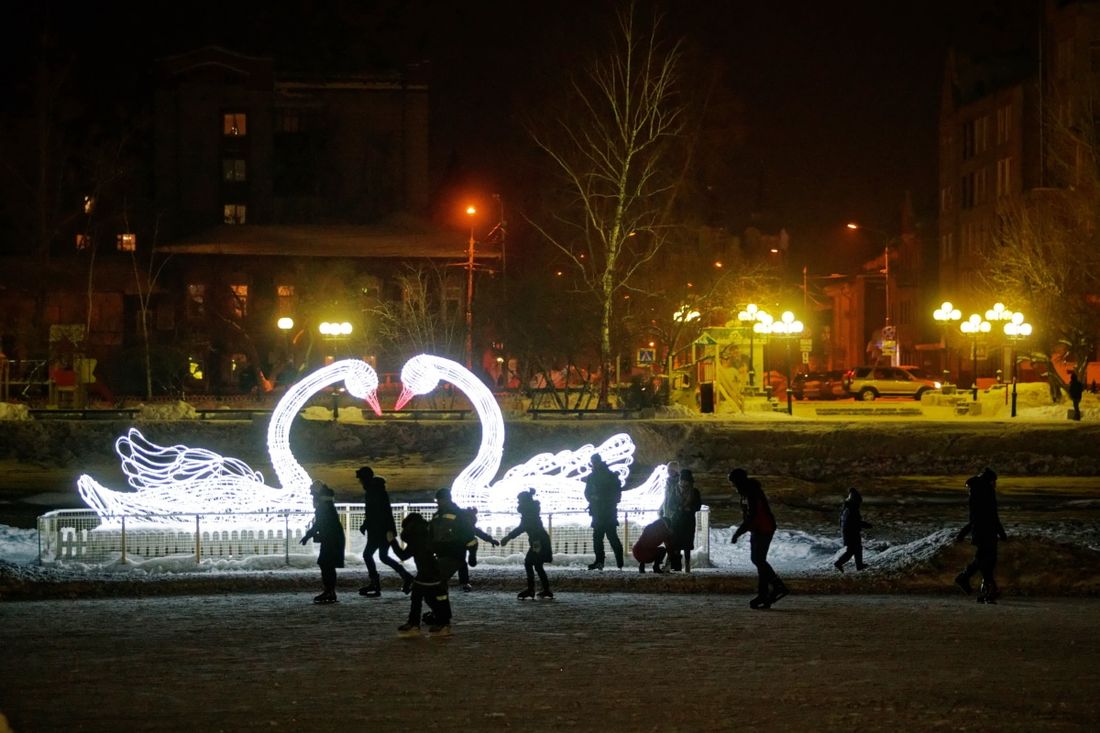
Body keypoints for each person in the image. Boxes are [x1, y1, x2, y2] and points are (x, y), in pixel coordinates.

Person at [729, 468, 789, 609]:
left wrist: (738, 533)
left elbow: (753, 515)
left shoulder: (751, 493)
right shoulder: (748, 492)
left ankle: (776, 586)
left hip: (764, 528)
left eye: (733, 483)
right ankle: (765, 592)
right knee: (758, 560)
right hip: (759, 528)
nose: (732, 486)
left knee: (759, 559)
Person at [389, 512, 452, 637]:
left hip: (426, 573)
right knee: (435, 597)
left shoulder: (416, 539)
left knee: (419, 596)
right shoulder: (426, 534)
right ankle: (442, 623)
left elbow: (403, 555)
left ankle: (417, 624)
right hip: (434, 572)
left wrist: (392, 541)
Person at [356, 466, 414, 597]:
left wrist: (370, 525)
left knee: (368, 555)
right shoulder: (376, 490)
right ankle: (406, 577)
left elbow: (380, 512)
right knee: (383, 557)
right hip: (381, 530)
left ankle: (375, 584)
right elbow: (379, 512)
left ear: (365, 478)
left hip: (379, 531)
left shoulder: (374, 491)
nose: (359, 482)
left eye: (360, 479)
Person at [955, 467, 1008, 604]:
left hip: (979, 531)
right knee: (987, 560)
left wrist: (963, 533)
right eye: (994, 482)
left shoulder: (975, 492)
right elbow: (992, 516)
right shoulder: (987, 492)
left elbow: (974, 517)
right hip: (987, 531)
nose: (995, 485)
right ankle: (983, 587)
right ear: (990, 481)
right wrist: (1002, 534)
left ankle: (985, 589)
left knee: (983, 559)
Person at [500, 489, 554, 599]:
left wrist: (508, 537)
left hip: (538, 542)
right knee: (538, 566)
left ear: (525, 501)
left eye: (519, 501)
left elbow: (522, 527)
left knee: (528, 563)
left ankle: (531, 589)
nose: (518, 503)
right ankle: (546, 589)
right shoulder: (531, 511)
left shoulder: (529, 514)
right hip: (540, 540)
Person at [300, 480, 345, 604]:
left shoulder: (323, 506)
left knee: (326, 564)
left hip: (331, 539)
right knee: (326, 564)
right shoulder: (327, 504)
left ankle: (329, 591)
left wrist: (308, 536)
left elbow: (319, 524)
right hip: (332, 538)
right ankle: (330, 591)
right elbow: (320, 524)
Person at [584, 453, 624, 570]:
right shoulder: (610, 475)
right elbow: (617, 495)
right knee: (611, 537)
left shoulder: (593, 476)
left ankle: (600, 561)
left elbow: (587, 493)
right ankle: (619, 562)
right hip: (608, 512)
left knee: (598, 538)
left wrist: (595, 499)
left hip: (599, 512)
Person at [430, 488, 477, 586]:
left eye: (439, 500)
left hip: (454, 548)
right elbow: (432, 530)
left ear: (446, 499)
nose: (437, 503)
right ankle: (464, 583)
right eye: (437, 500)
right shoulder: (438, 514)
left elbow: (469, 530)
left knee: (443, 574)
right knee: (459, 564)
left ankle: (463, 583)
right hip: (441, 549)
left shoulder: (458, 513)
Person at [672, 468, 703, 573]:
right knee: (676, 543)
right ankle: (676, 565)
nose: (683, 482)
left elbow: (698, 505)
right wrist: (678, 508)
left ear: (690, 481)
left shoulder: (694, 492)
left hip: (688, 521)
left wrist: (690, 509)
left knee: (687, 544)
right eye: (682, 480)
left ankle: (687, 564)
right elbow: (671, 504)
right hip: (676, 520)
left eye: (685, 480)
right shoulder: (675, 490)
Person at [833, 487, 872, 572]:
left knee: (853, 550)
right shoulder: (852, 510)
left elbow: (843, 522)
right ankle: (845, 564)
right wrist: (866, 525)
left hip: (847, 532)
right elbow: (855, 522)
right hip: (852, 533)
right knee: (855, 549)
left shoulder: (846, 509)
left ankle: (858, 565)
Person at [659, 461, 683, 571]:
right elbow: (667, 498)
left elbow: (675, 499)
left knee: (672, 541)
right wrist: (661, 509)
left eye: (671, 470)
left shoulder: (678, 482)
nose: (669, 472)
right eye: (668, 470)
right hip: (668, 514)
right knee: (670, 540)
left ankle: (672, 563)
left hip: (674, 515)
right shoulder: (669, 482)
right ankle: (674, 564)